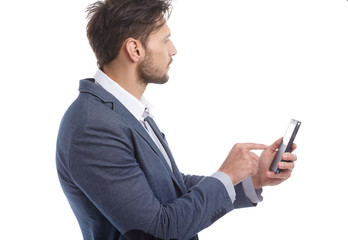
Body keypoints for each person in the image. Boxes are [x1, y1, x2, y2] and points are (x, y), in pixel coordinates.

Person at [56, 0, 297, 239]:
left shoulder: (127, 112)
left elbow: (171, 188)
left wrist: (253, 178)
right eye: (164, 39)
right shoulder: (92, 126)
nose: (173, 49)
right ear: (135, 49)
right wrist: (226, 175)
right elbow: (156, 231)